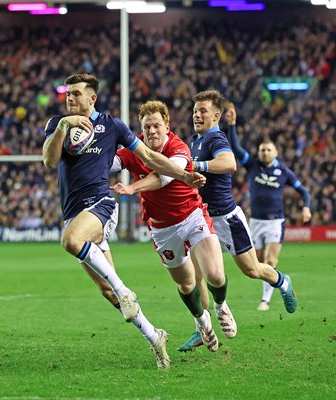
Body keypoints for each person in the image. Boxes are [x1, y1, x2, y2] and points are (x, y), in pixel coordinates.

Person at [42, 73, 205, 369]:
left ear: (92, 98)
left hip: (101, 204)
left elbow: (148, 156)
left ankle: (124, 289)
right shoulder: (57, 125)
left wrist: (184, 175)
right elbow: (50, 160)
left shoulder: (111, 126)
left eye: (77, 93)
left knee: (70, 241)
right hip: (73, 212)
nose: (70, 98)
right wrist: (64, 126)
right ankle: (154, 336)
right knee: (106, 290)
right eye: (68, 93)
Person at [111, 100, 237, 352]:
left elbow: (163, 177)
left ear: (166, 125)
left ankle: (221, 305)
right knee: (186, 284)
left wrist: (132, 187)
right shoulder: (134, 149)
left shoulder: (178, 147)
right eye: (147, 127)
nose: (152, 131)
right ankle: (203, 323)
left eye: (157, 125)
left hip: (192, 216)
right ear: (141, 128)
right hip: (163, 229)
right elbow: (112, 163)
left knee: (214, 275)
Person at [178, 90, 298, 352]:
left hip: (226, 219)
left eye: (203, 111)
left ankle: (282, 281)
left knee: (252, 270)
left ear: (216, 116)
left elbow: (229, 162)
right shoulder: (194, 139)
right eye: (195, 110)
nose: (196, 115)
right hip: (202, 217)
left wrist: (197, 167)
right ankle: (203, 328)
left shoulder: (216, 137)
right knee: (197, 275)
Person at [224, 103, 311, 311]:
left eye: (268, 149)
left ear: (276, 152)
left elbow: (304, 191)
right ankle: (282, 280)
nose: (264, 152)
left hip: (275, 222)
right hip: (255, 222)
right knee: (259, 263)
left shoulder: (284, 172)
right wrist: (232, 125)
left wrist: (306, 207)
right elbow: (235, 148)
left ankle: (265, 300)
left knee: (270, 260)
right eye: (262, 149)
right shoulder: (253, 165)